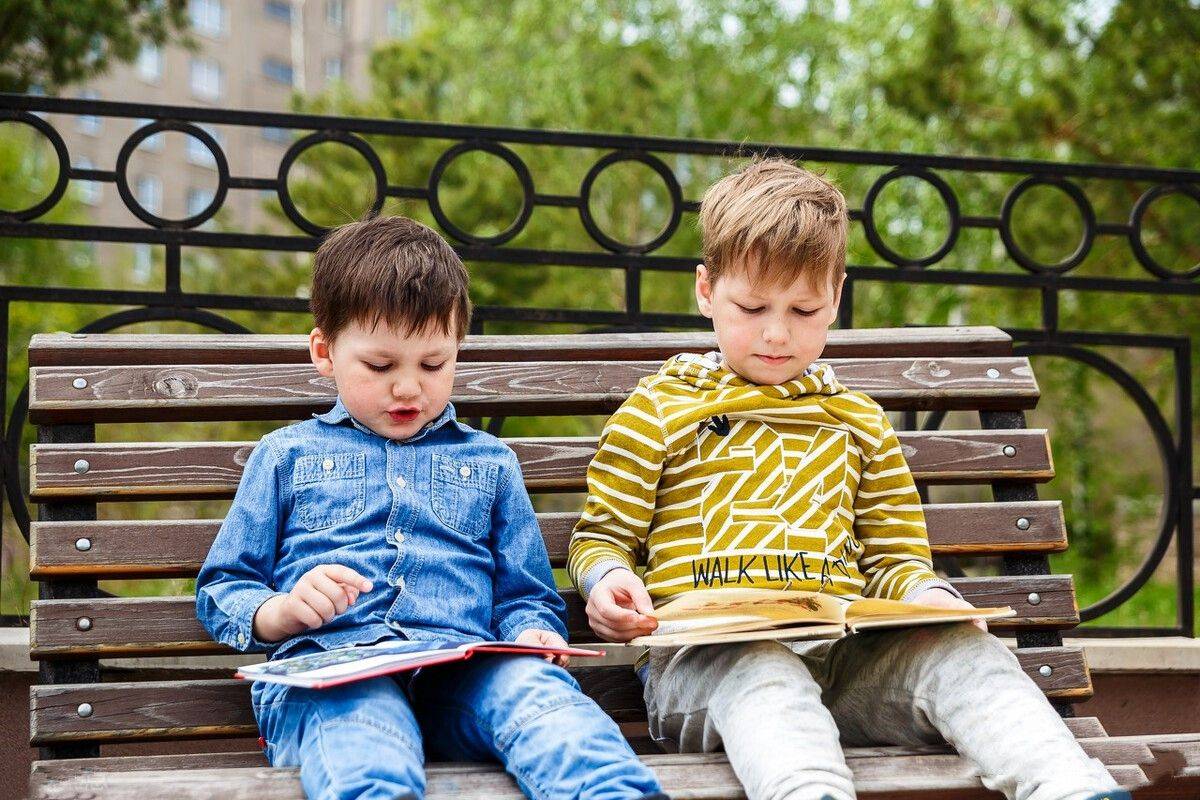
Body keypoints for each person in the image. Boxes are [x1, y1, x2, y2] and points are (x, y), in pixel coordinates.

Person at [567, 158, 1129, 800]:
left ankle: (1071, 788)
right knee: (765, 671)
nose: (777, 333)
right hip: (708, 672)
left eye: (804, 310)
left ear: (836, 296)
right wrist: (608, 580)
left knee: (963, 655)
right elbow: (600, 537)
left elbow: (894, 560)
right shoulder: (660, 408)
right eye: (751, 307)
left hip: (846, 667)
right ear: (705, 291)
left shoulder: (856, 422)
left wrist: (928, 596)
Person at [197, 215, 666, 800]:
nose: (408, 389)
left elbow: (524, 596)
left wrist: (534, 637)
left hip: (464, 673)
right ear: (324, 352)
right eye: (380, 366)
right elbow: (224, 587)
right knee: (366, 754)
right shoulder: (285, 456)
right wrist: (282, 611)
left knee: (547, 709)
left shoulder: (489, 462)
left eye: (433, 364)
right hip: (334, 671)